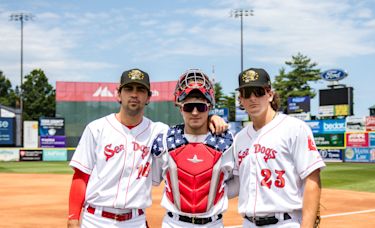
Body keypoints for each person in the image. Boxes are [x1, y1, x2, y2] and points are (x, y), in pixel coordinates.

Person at [67, 68, 227, 228]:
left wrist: (211, 117)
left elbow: (192, 127)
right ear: (118, 94)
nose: (134, 94)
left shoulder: (160, 133)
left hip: (135, 220)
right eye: (129, 89)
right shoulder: (97, 128)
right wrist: (73, 217)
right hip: (96, 219)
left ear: (149, 97)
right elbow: (81, 176)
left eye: (141, 90)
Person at [230, 68, 325, 228]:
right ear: (241, 100)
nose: (253, 98)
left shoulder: (294, 128)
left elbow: (312, 179)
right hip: (248, 223)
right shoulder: (240, 138)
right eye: (247, 94)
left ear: (270, 94)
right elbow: (238, 184)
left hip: (284, 222)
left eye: (258, 92)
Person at [151, 69, 234, 228]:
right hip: (174, 223)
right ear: (179, 107)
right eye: (189, 107)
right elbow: (154, 179)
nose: (195, 112)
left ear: (209, 106)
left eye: (201, 107)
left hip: (213, 224)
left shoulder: (226, 141)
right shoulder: (165, 139)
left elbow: (235, 181)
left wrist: (217, 193)